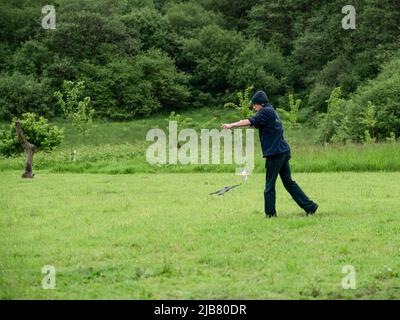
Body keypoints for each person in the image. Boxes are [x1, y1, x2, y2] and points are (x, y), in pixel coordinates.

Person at [221, 90, 318, 218]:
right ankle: (310, 206)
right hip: (282, 151)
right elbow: (255, 123)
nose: (253, 107)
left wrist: (230, 125)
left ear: (260, 104)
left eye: (254, 105)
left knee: (269, 185)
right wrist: (245, 123)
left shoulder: (265, 112)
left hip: (275, 154)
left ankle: (270, 214)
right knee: (289, 182)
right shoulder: (271, 111)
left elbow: (249, 121)